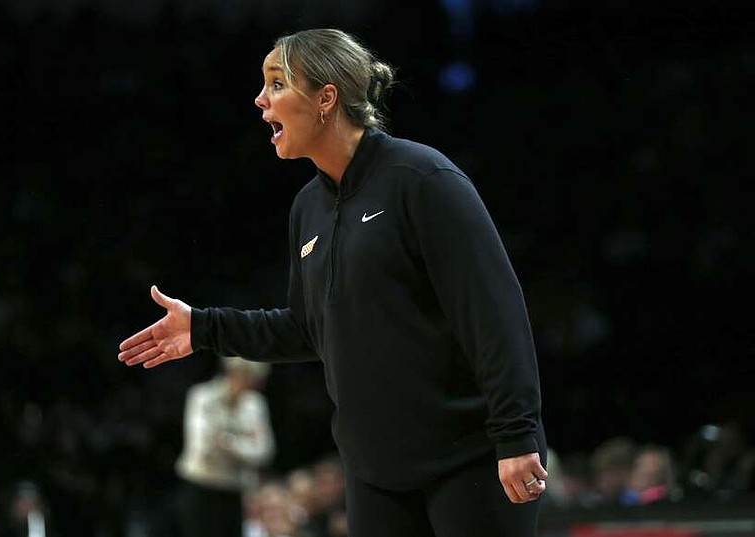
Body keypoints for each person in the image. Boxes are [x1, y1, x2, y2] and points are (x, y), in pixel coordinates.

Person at [118, 27, 548, 537]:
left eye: (276, 84)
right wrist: (205, 327)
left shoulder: (423, 180)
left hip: (470, 457)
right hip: (374, 472)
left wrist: (516, 435)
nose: (259, 100)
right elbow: (308, 330)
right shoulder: (309, 207)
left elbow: (494, 313)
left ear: (326, 98)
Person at [173, 355, 276, 537]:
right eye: (248, 377)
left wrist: (229, 442)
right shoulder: (202, 397)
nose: (253, 384)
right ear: (234, 372)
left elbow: (265, 451)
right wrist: (245, 441)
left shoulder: (255, 405)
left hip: (234, 491)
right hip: (202, 487)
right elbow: (203, 447)